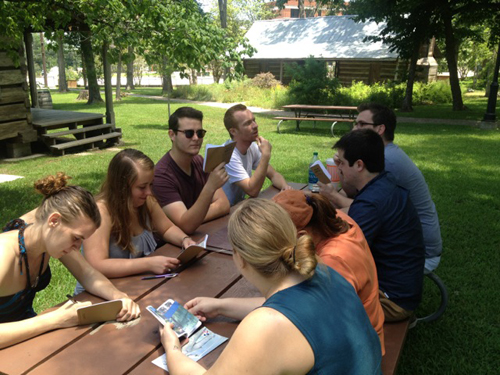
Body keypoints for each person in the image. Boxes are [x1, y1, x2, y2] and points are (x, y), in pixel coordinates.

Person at [159, 199, 382, 374]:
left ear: (240, 258)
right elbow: (291, 310)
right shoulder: (323, 271)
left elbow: (277, 320)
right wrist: (221, 306)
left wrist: (173, 349)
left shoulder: (263, 328)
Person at [0, 173, 140, 349]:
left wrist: (119, 297)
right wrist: (56, 319)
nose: (77, 247)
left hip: (24, 339)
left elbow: (87, 273)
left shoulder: (47, 236)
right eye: (76, 238)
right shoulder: (3, 256)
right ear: (54, 221)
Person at [320, 103, 442, 273]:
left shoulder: (387, 161)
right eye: (356, 123)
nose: (355, 129)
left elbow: (363, 207)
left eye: (362, 124)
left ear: (380, 129)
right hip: (403, 244)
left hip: (419, 251)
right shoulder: (382, 160)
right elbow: (355, 196)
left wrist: (334, 196)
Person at [272, 189, 385, 355]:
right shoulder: (333, 218)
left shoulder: (333, 261)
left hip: (360, 354)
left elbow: (294, 311)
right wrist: (222, 306)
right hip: (356, 336)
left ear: (301, 235)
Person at [332, 129, 425, 322]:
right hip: (403, 288)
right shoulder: (384, 182)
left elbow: (343, 257)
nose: (338, 168)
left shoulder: (370, 204)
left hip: (391, 301)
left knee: (313, 299)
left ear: (359, 165)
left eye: (340, 162)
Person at [75, 149, 196, 293]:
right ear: (121, 187)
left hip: (136, 287)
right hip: (98, 295)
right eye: (142, 187)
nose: (149, 192)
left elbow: (167, 228)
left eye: (151, 185)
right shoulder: (101, 212)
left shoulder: (146, 202)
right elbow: (96, 265)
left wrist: (184, 240)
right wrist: (147, 264)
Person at [153, 107, 230, 234]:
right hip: (170, 248)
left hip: (200, 236)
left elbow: (223, 205)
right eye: (189, 133)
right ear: (172, 135)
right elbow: (187, 226)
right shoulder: (161, 176)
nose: (196, 138)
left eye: (200, 133)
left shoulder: (199, 161)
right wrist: (210, 187)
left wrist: (194, 216)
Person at [221, 104, 292, 205]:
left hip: (237, 206)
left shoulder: (251, 147)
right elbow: (252, 191)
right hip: (223, 213)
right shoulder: (228, 155)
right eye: (248, 123)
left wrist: (285, 187)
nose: (255, 125)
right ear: (233, 131)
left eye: (254, 120)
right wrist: (265, 155)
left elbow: (274, 175)